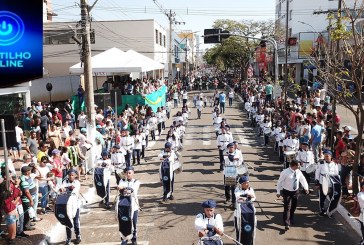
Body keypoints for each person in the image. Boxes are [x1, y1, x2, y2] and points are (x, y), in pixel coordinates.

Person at [277, 160, 309, 230]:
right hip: (286, 192)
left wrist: (306, 188)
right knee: (287, 207)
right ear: (294, 165)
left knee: (293, 206)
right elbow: (279, 182)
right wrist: (278, 192)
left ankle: (291, 217)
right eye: (298, 165)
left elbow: (303, 180)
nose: (299, 166)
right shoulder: (285, 172)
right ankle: (286, 223)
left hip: (295, 192)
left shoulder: (298, 172)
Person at [117, 166, 140, 245]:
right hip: (123, 205)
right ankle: (124, 239)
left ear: (133, 173)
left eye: (130, 173)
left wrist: (123, 187)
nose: (128, 174)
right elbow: (120, 190)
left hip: (134, 206)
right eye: (127, 173)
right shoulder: (122, 180)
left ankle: (134, 238)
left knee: (133, 223)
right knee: (123, 222)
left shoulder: (136, 182)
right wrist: (121, 188)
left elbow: (132, 190)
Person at [59, 169, 81, 245]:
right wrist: (61, 189)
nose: (71, 177)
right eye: (69, 175)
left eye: (72, 175)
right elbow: (61, 189)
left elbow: (73, 189)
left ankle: (78, 236)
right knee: (67, 221)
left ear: (75, 176)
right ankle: (68, 238)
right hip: (67, 205)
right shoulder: (64, 182)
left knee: (76, 222)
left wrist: (66, 188)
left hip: (76, 204)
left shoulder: (77, 182)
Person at [315, 149, 339, 216]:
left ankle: (330, 210)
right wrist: (317, 182)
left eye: (327, 156)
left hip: (331, 184)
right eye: (325, 156)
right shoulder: (321, 163)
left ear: (331, 156)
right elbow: (317, 173)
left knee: (332, 198)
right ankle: (322, 210)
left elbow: (336, 175)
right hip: (323, 182)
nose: (326, 157)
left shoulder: (334, 164)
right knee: (322, 198)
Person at [234, 175, 256, 243]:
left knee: (250, 230)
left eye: (248, 182)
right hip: (239, 215)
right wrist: (247, 196)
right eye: (245, 183)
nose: (247, 184)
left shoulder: (251, 189)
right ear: (241, 184)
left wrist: (246, 197)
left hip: (250, 214)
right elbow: (238, 198)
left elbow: (253, 198)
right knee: (240, 231)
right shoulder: (237, 190)